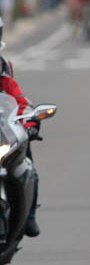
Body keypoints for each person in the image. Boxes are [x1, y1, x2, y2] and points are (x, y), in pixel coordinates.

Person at [0, 17, 41, 237]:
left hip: (3, 132)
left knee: (29, 169)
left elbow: (21, 101)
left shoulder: (4, 73)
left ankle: (30, 218)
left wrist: (30, 122)